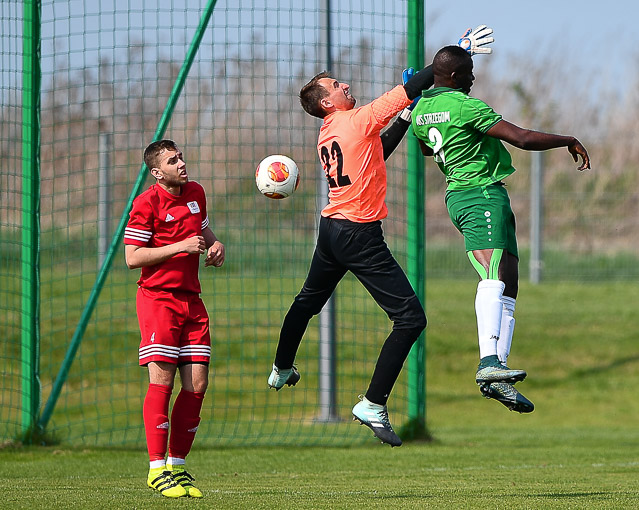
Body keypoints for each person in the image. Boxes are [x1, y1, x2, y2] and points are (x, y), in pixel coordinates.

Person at [267, 28, 493, 447]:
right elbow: (414, 85)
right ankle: (372, 403)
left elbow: (378, 152)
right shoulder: (358, 119)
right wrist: (455, 53)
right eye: (336, 85)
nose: (344, 85)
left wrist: (406, 115)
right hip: (359, 236)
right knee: (411, 319)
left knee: (306, 302)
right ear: (326, 102)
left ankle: (281, 367)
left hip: (332, 230)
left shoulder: (330, 131)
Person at [411, 45, 590, 414]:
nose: (474, 77)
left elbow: (428, 150)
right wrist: (567, 140)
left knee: (509, 281)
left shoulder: (420, 111)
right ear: (455, 76)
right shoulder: (466, 106)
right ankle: (489, 362)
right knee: (493, 276)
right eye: (469, 71)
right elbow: (521, 138)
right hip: (478, 195)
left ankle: (499, 371)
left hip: (470, 196)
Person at [124, 139, 225, 498]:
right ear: (157, 172)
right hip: (158, 300)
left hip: (192, 300)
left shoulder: (196, 192)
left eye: (180, 157)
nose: (181, 163)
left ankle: (177, 466)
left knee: (197, 383)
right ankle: (156, 469)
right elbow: (132, 257)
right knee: (162, 382)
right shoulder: (146, 203)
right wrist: (180, 247)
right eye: (172, 161)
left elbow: (204, 231)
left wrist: (215, 244)